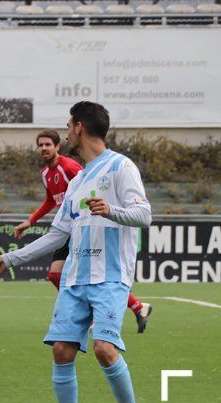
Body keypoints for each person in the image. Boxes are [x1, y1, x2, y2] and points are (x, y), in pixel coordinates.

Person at [0, 101, 150, 403]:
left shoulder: (121, 166)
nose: (66, 130)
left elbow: (144, 215)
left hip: (110, 277)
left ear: (79, 127)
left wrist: (113, 211)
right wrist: (8, 260)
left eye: (68, 125)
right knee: (61, 350)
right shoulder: (76, 182)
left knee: (104, 349)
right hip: (74, 279)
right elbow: (58, 235)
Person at [15, 130, 153, 333]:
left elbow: (91, 184)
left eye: (48, 145)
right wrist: (30, 220)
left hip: (83, 228)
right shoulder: (45, 173)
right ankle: (137, 307)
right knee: (55, 275)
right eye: (40, 145)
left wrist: (105, 211)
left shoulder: (71, 168)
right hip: (67, 227)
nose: (44, 148)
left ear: (57, 147)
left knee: (69, 275)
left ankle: (98, 312)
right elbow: (50, 201)